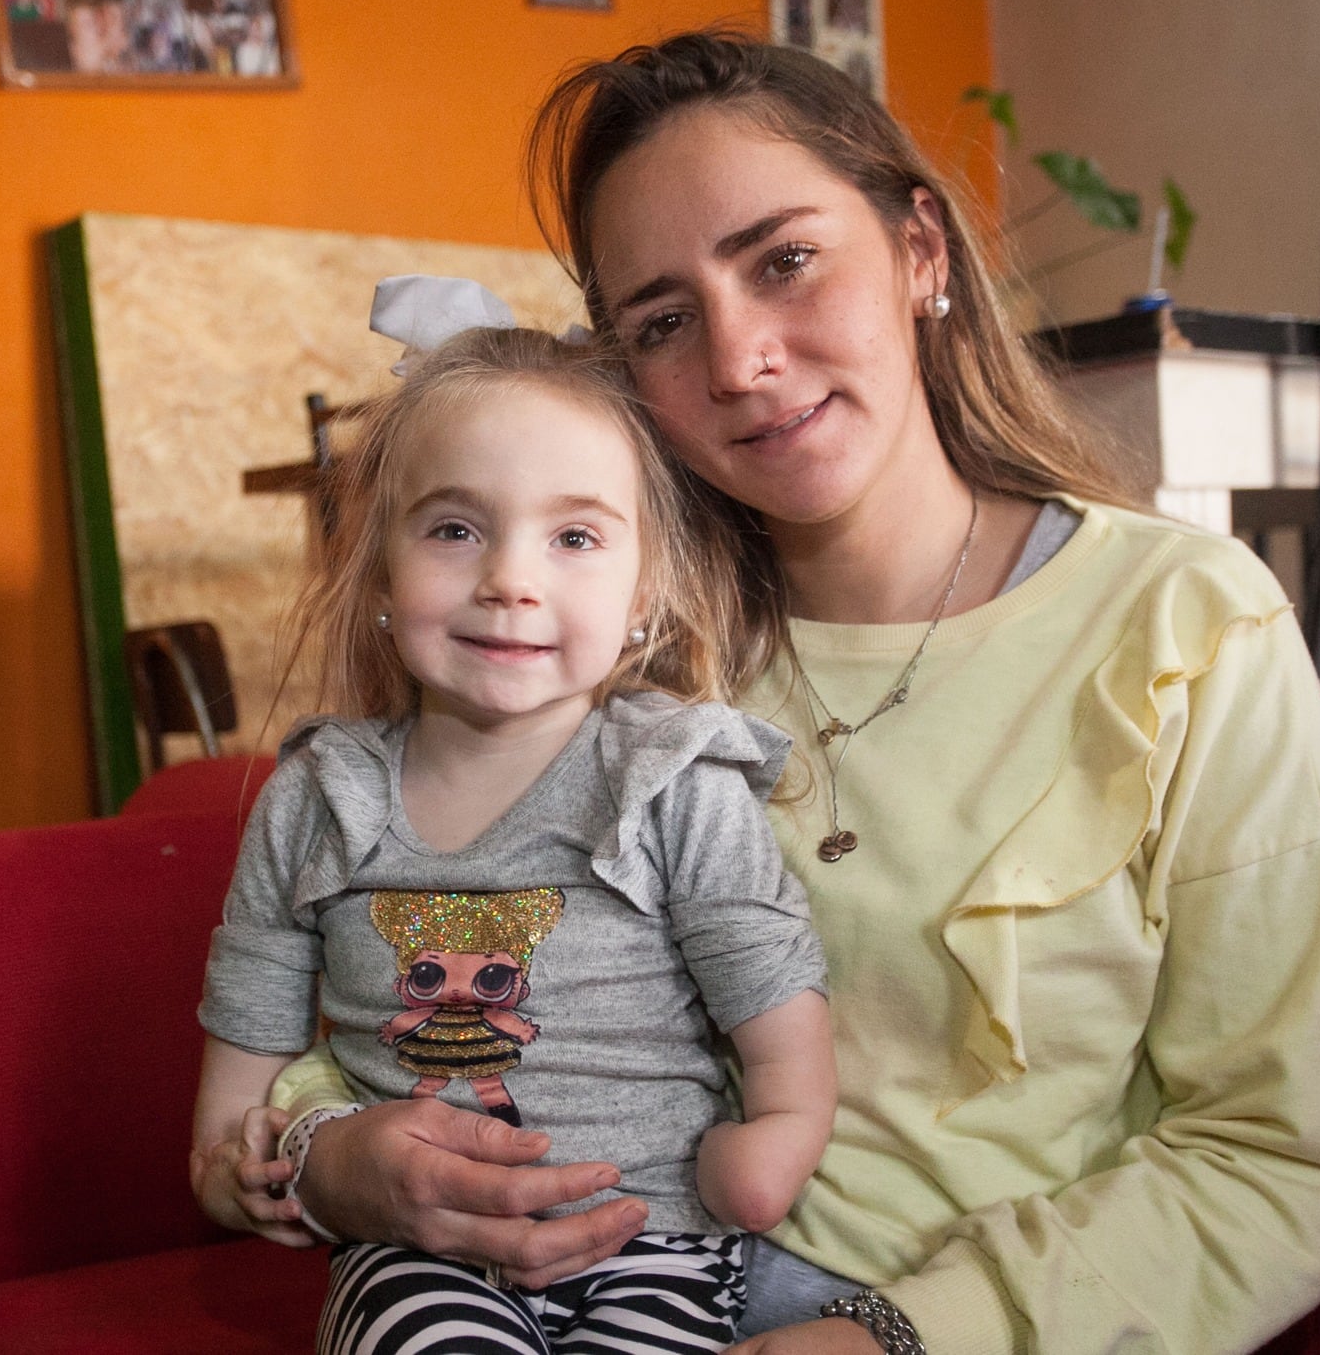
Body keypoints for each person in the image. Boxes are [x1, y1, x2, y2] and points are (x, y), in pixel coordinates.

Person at [244, 31, 1320, 1355]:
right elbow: (386, 954)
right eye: (665, 321)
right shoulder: (611, 653)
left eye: (785, 261)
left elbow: (1291, 1159)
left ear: (922, 252)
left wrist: (887, 1340)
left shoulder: (1189, 623)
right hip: (614, 1293)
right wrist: (333, 1163)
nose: (739, 361)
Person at [190, 318, 838, 1353]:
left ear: (644, 594)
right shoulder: (317, 796)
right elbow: (227, 1141)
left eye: (573, 537)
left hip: (655, 1238)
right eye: (453, 529)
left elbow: (771, 991)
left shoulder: (673, 776)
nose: (509, 578)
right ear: (378, 574)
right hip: (413, 1256)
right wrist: (248, 1178)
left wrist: (782, 1133)